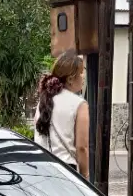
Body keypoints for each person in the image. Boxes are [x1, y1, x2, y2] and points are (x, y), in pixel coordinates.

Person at [33, 50, 90, 179]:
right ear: (70, 79)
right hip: (66, 171)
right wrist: (85, 176)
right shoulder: (80, 104)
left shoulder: (43, 101)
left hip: (41, 170)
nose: (84, 76)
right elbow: (82, 148)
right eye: (81, 73)